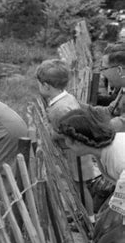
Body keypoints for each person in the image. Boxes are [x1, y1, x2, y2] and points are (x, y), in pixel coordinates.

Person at [56, 108, 125, 243]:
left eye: (66, 139)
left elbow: (119, 213)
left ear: (78, 141)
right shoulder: (107, 150)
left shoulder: (119, 158)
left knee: (112, 222)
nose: (64, 144)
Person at [35, 59, 101, 220]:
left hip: (75, 154)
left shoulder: (60, 108)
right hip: (76, 151)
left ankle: (89, 219)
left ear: (46, 86)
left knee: (79, 187)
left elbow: (70, 131)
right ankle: (83, 214)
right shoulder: (66, 98)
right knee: (78, 186)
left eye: (38, 84)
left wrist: (51, 133)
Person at [98, 50, 125, 132]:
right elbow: (109, 111)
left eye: (104, 68)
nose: (102, 73)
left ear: (119, 70)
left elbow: (119, 124)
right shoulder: (123, 89)